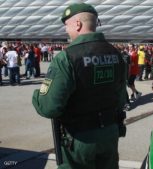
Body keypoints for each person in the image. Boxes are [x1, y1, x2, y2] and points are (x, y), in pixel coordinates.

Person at [32, 3, 127, 169]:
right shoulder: (116, 53)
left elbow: (49, 108)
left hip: (80, 139)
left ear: (77, 24)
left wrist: (36, 96)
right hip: (110, 133)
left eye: (66, 25)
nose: (66, 30)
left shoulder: (67, 57)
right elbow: (121, 97)